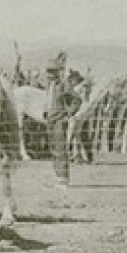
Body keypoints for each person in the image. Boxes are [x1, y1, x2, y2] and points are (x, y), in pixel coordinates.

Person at [45, 53, 80, 188]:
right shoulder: (50, 86)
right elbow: (48, 101)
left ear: (57, 73)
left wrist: (68, 113)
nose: (49, 74)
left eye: (52, 71)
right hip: (50, 120)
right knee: (53, 149)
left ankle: (64, 179)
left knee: (60, 149)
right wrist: (45, 112)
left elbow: (77, 100)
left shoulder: (64, 85)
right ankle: (58, 177)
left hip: (59, 120)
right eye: (48, 71)